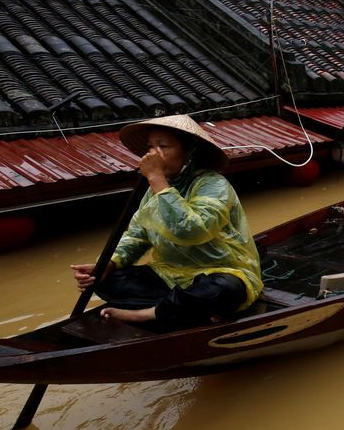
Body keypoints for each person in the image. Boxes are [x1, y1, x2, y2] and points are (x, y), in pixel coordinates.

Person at [71, 114, 262, 329]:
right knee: (105, 280)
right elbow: (136, 235)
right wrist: (108, 264)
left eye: (163, 146)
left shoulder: (213, 185)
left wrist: (157, 179)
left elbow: (190, 231)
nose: (153, 154)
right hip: (169, 274)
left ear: (189, 152)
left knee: (222, 290)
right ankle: (188, 309)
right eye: (150, 146)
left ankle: (148, 314)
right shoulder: (153, 191)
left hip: (219, 271)